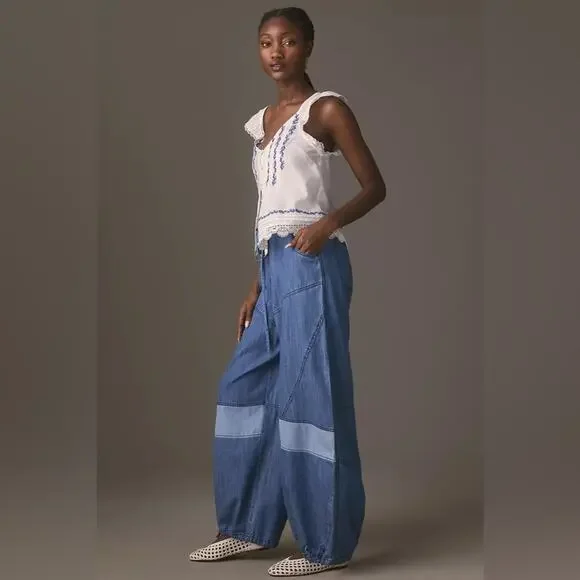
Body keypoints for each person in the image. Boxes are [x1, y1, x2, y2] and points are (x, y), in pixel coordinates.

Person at [189, 6, 386, 577]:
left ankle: (325, 545)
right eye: (266, 42)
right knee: (243, 388)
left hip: (314, 262)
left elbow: (375, 186)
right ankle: (247, 526)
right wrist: (256, 283)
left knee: (312, 397)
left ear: (308, 46)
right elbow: (270, 211)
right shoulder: (262, 123)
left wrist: (327, 225)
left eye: (289, 41)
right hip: (273, 268)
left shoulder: (325, 110)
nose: (276, 52)